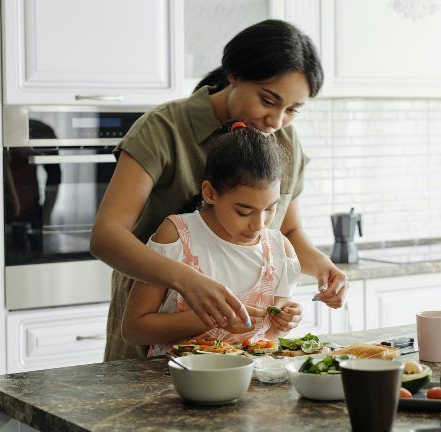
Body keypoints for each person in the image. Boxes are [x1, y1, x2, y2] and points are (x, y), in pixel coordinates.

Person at [90, 19, 349, 361]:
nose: (277, 120)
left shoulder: (283, 139)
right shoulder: (164, 129)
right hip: (155, 320)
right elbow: (106, 236)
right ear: (235, 75)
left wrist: (321, 266)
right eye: (268, 100)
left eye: (292, 110)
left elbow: (287, 229)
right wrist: (188, 281)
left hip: (239, 348)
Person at [122, 122, 302, 356]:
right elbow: (134, 330)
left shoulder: (279, 250)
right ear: (210, 193)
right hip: (175, 381)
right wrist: (212, 318)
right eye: (244, 211)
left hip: (249, 381)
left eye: (270, 209)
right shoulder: (177, 236)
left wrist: (284, 322)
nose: (259, 224)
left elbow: (269, 337)